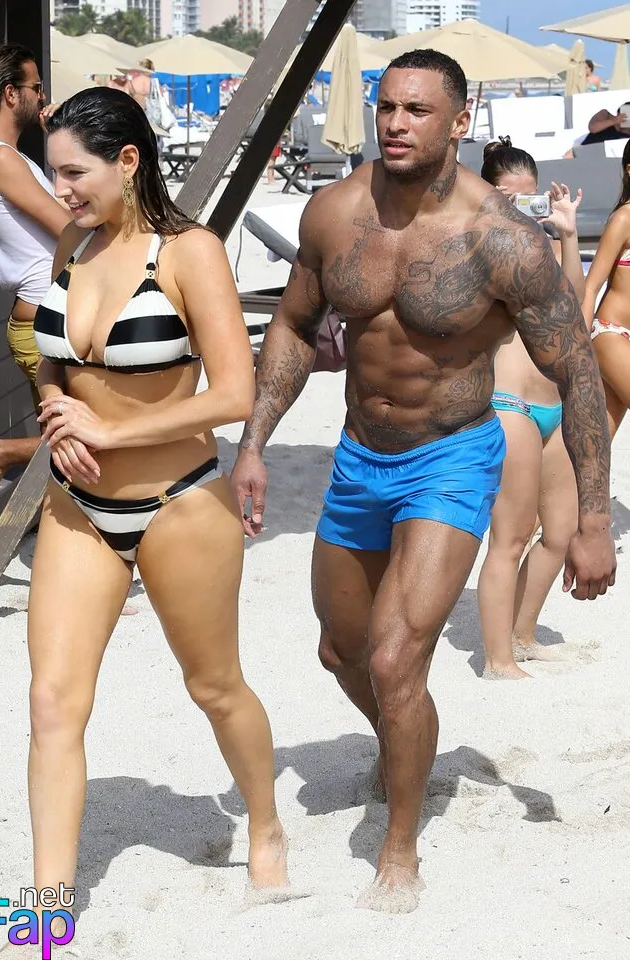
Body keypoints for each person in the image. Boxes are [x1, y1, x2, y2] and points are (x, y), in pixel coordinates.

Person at [230, 49, 615, 914]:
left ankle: (399, 849)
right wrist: (254, 441)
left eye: (417, 110)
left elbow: (578, 371)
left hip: (452, 455)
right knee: (343, 652)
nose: (396, 123)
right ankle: (407, 740)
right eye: (387, 107)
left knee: (397, 657)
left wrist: (592, 518)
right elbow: (292, 326)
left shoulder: (503, 239)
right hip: (359, 455)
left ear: (460, 122)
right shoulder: (334, 213)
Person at [23, 87, 290, 926]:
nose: (60, 189)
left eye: (75, 172)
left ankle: (266, 825)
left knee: (214, 686)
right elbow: (42, 347)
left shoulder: (190, 253)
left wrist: (110, 428)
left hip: (179, 503)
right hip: (78, 505)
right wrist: (55, 407)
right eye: (54, 171)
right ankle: (47, 908)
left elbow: (235, 392)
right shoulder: (73, 242)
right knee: (52, 702)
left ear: (128, 160)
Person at [476, 139, 584, 679]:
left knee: (559, 533)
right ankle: (497, 659)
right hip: (509, 403)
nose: (521, 209)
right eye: (508, 198)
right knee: (512, 536)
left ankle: (522, 635)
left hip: (554, 405)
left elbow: (574, 309)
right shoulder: (477, 248)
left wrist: (566, 234)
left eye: (529, 198)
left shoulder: (543, 248)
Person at [0, 44, 73, 515]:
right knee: (90, 429)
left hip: (42, 321)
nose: (43, 96)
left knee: (67, 445)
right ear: (10, 93)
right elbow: (69, 227)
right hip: (43, 325)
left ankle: (48, 520)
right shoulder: (1, 159)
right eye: (36, 87)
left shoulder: (5, 157)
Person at [582, 137, 630, 440]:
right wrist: (576, 349)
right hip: (611, 333)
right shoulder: (624, 218)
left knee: (598, 441)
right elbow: (592, 285)